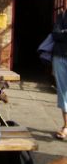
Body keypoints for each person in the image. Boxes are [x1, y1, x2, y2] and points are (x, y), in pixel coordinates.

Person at [52, 9, 67, 139]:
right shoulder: (62, 15)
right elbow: (55, 35)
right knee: (63, 93)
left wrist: (64, 32)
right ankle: (65, 126)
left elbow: (61, 35)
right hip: (60, 57)